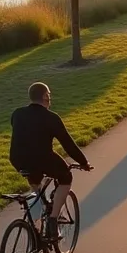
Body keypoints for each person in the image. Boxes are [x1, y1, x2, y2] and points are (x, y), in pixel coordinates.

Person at [9, 82, 94, 234]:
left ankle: (37, 216)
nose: (50, 97)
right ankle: (53, 220)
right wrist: (83, 162)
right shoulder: (51, 118)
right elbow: (68, 144)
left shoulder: (17, 113)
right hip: (42, 158)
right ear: (44, 96)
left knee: (34, 179)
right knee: (66, 176)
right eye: (49, 94)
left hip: (18, 159)